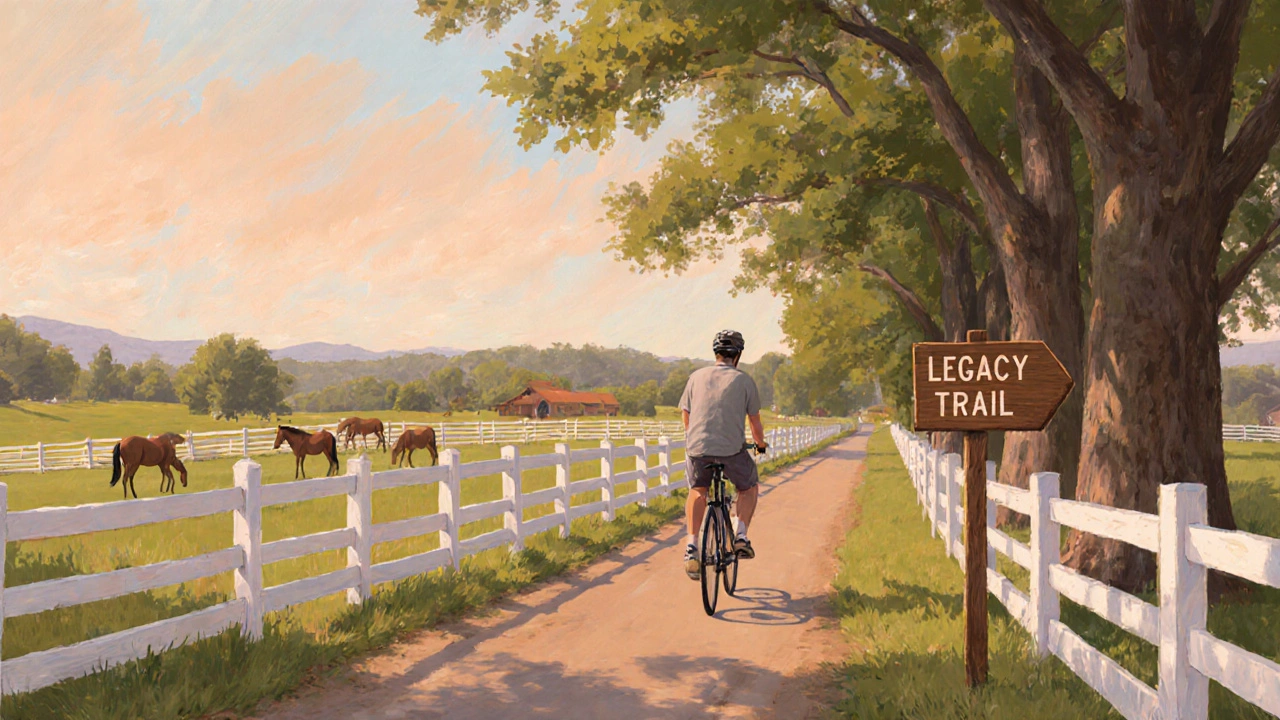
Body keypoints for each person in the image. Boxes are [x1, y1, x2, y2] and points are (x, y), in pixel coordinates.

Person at [678, 329, 768, 580]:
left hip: (698, 449)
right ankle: (740, 536)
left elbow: (685, 412)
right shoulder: (745, 380)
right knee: (749, 487)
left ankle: (692, 546)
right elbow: (754, 422)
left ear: (715, 353)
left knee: (698, 490)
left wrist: (694, 435)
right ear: (737, 355)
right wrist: (760, 445)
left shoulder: (696, 377)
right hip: (731, 451)